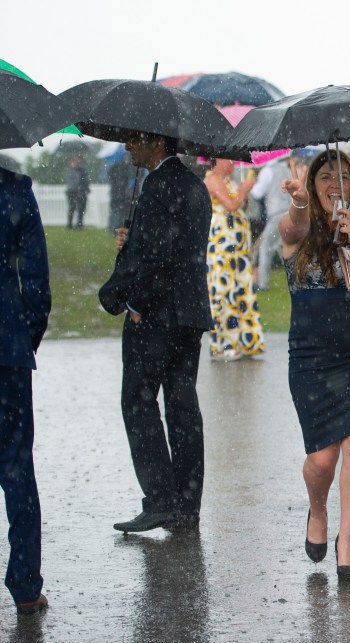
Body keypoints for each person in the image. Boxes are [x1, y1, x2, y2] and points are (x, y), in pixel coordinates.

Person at [278, 149, 350, 580]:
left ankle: (347, 540)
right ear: (312, 183)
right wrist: (300, 202)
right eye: (326, 176)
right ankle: (317, 510)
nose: (335, 184)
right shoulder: (297, 226)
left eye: (344, 177)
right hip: (310, 356)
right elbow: (294, 225)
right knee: (322, 461)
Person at [99, 132, 214, 533]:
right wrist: (130, 243)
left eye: (134, 140)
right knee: (183, 408)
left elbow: (160, 257)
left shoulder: (157, 185)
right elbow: (175, 247)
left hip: (156, 316)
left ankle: (161, 500)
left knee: (138, 402)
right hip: (189, 314)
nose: (128, 146)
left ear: (155, 142)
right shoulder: (194, 184)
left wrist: (134, 303)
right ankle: (187, 504)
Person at [0, 167, 51, 615]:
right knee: (16, 467)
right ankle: (24, 584)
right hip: (6, 347)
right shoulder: (15, 191)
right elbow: (36, 282)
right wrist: (23, 336)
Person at [204, 158, 266, 361]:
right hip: (222, 248)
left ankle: (245, 342)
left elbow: (239, 205)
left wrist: (244, 192)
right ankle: (224, 344)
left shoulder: (229, 180)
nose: (232, 162)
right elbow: (230, 205)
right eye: (227, 159)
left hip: (237, 249)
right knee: (225, 293)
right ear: (217, 160)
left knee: (241, 291)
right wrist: (244, 188)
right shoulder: (212, 179)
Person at [250, 157, 299, 292]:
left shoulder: (267, 171)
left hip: (276, 214)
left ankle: (263, 284)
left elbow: (256, 193)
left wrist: (251, 183)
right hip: (289, 213)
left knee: (265, 247)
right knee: (283, 248)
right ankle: (298, 280)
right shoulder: (285, 169)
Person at [64, 155, 90, 230]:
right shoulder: (69, 171)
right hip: (72, 192)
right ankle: (70, 224)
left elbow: (85, 181)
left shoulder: (82, 171)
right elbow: (70, 182)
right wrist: (75, 189)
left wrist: (86, 189)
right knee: (72, 208)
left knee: (81, 209)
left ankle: (79, 224)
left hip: (81, 192)